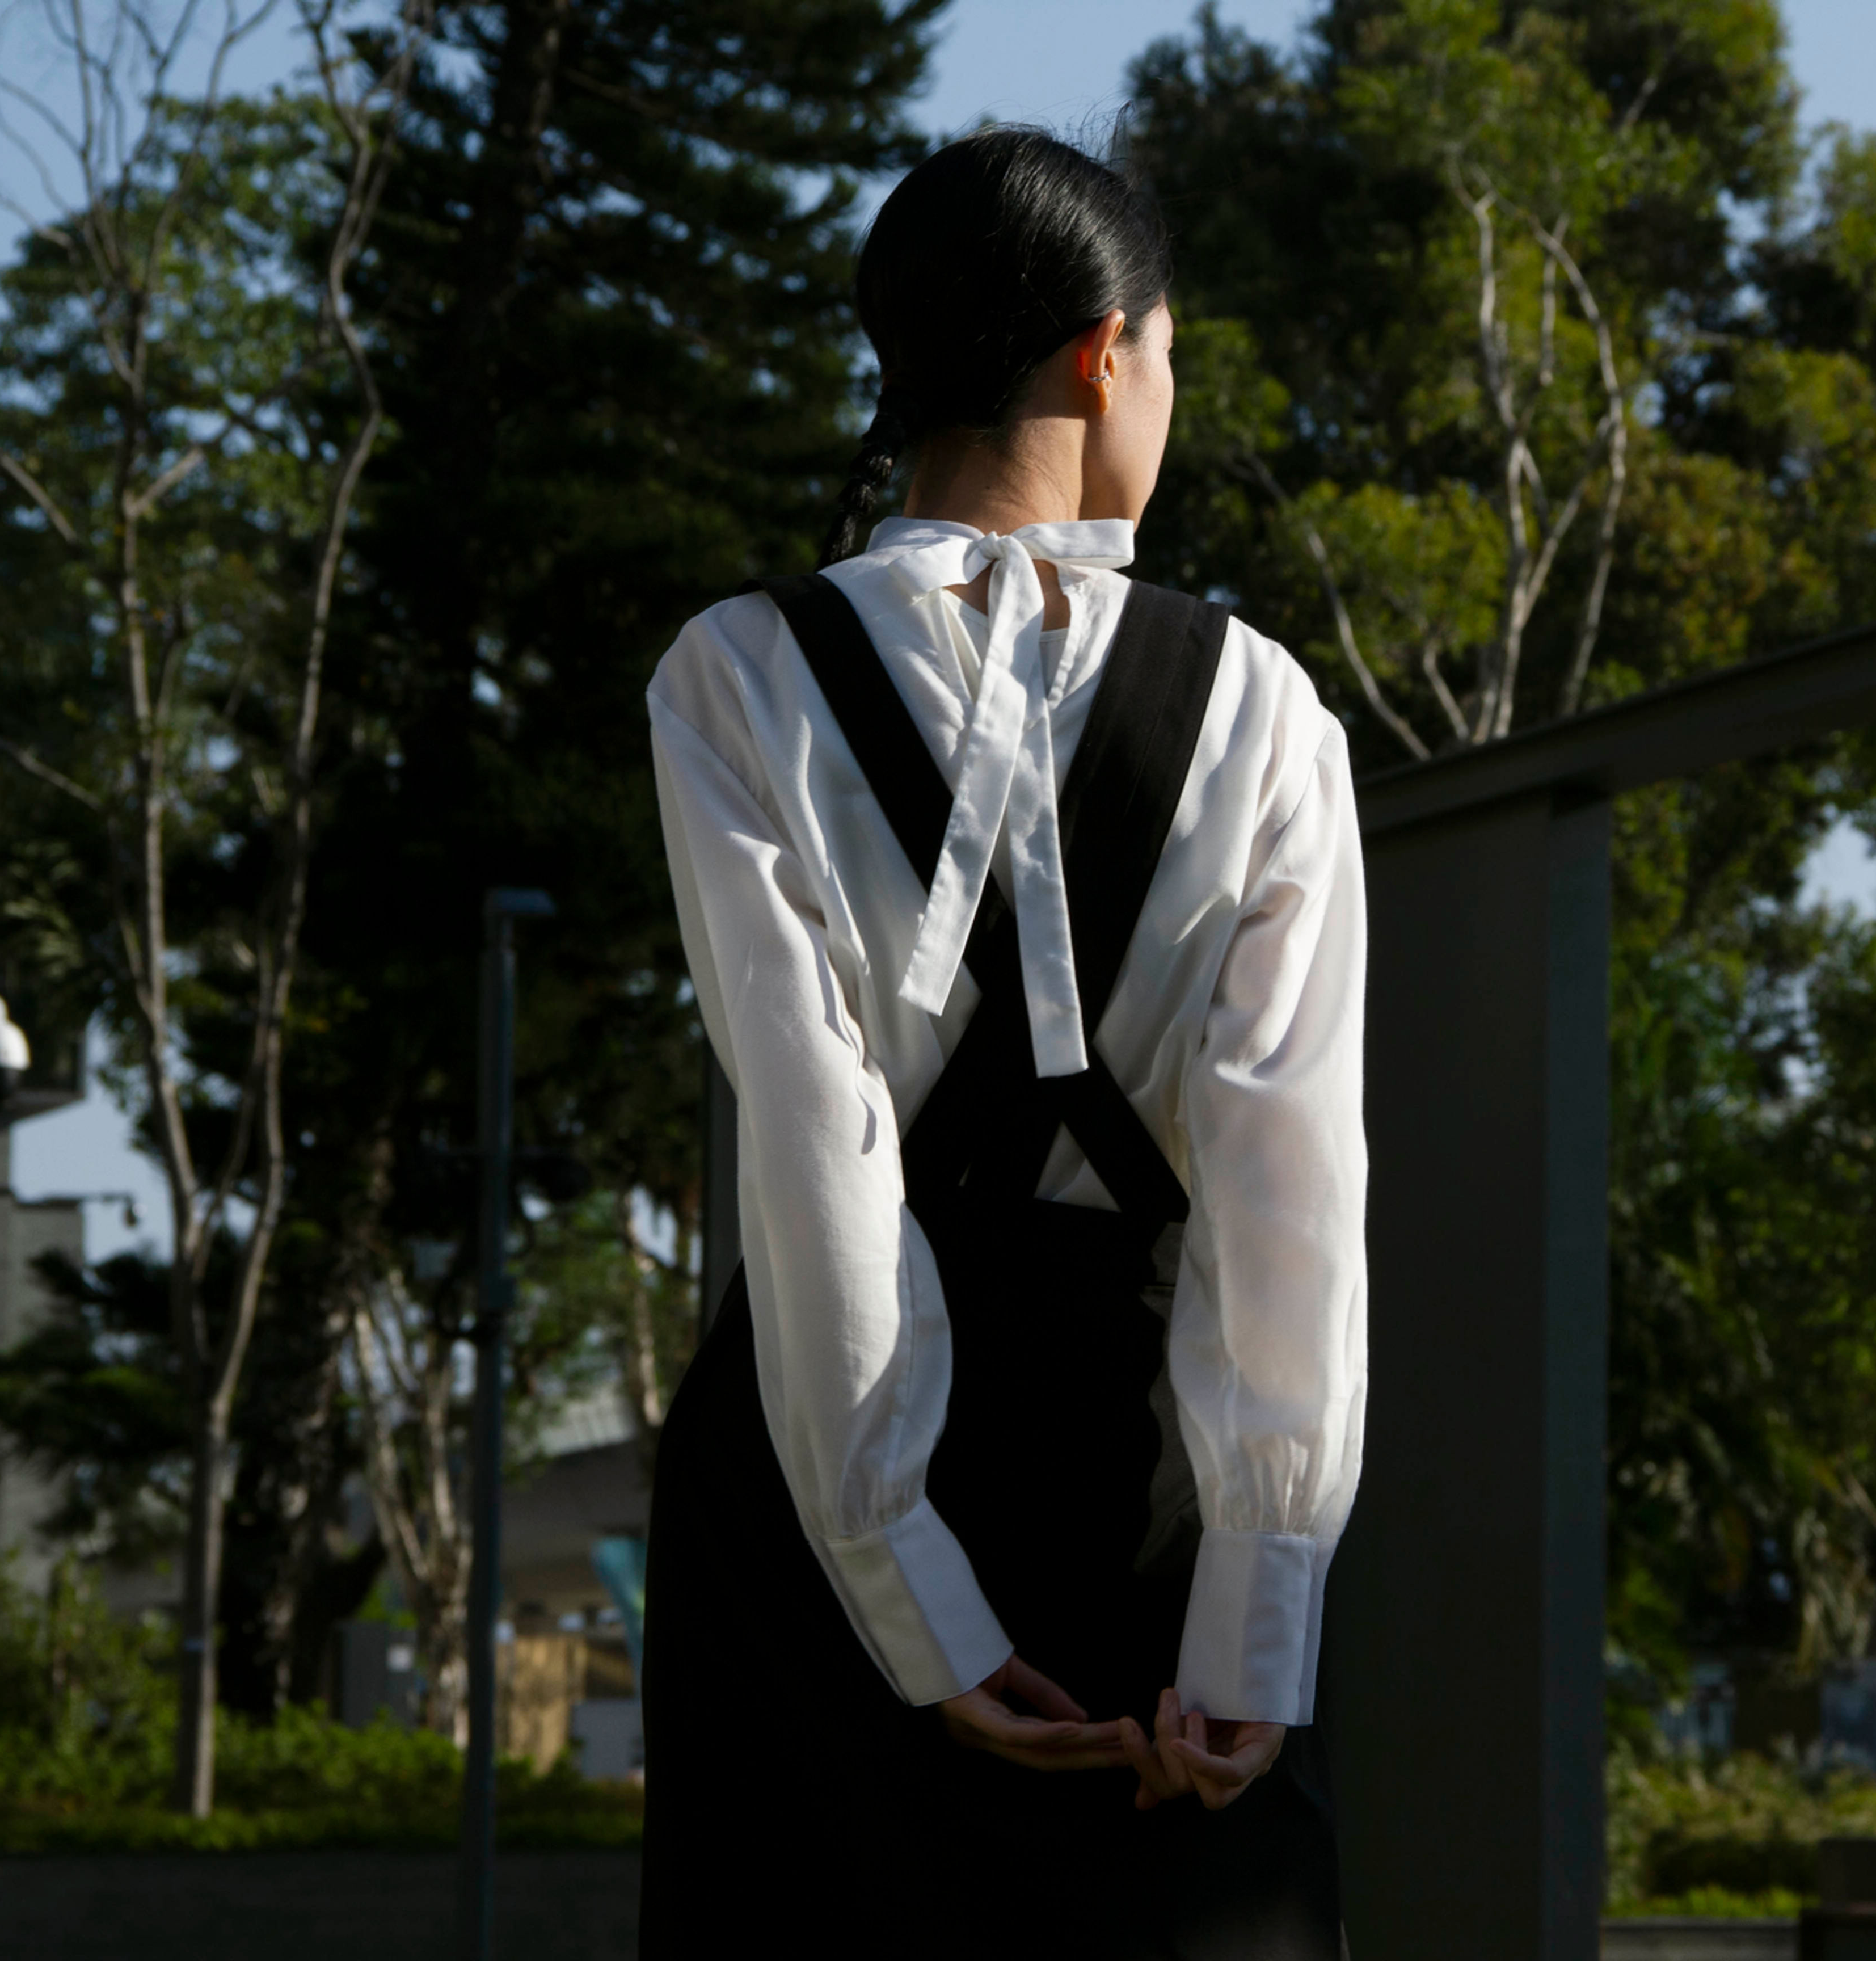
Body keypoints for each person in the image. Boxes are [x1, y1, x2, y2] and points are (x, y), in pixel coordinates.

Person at [638, 127, 1366, 1958]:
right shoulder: (1266, 711)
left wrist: (913, 1603)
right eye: (1172, 356)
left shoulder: (733, 669)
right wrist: (1251, 1628)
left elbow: (817, 1149)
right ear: (1102, 353)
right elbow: (1290, 1190)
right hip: (1138, 1472)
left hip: (812, 1469)